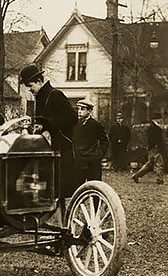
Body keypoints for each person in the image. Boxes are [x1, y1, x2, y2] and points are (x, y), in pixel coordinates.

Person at [19, 64, 77, 196]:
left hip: (60, 151)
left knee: (58, 191)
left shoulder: (55, 94)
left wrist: (47, 124)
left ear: (39, 81)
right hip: (46, 151)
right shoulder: (39, 97)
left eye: (30, 86)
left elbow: (72, 117)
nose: (29, 90)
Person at [71, 99, 109, 182]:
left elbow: (104, 141)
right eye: (78, 109)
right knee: (77, 186)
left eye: (82, 109)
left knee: (93, 186)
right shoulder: (75, 124)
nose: (79, 112)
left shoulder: (95, 125)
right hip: (79, 161)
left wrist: (98, 155)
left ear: (89, 111)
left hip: (92, 162)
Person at [131, 110, 165, 185]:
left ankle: (136, 175)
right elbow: (154, 139)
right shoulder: (156, 128)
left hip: (152, 148)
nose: (160, 120)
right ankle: (160, 179)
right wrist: (157, 146)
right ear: (156, 120)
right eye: (159, 119)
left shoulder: (151, 127)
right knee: (159, 164)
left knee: (149, 165)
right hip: (155, 148)